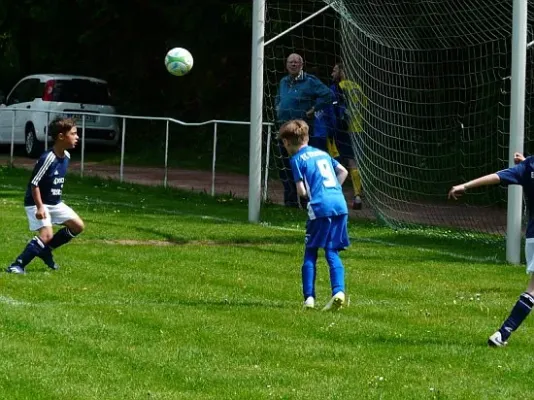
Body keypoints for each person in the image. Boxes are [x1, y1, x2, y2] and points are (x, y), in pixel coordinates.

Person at [448, 151, 532, 346]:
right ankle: (502, 334)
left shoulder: (527, 168)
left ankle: (502, 334)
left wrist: (465, 185)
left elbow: (495, 177)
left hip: (531, 239)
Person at [278, 119, 349, 311]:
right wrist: (332, 190)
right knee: (332, 251)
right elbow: (343, 171)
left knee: (310, 252)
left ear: (286, 142)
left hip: (320, 207)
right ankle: (339, 292)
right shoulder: (323, 154)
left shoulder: (296, 160)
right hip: (340, 204)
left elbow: (301, 191)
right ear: (306, 136)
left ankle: (309, 299)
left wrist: (315, 195)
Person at [6, 117, 85, 274]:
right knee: (46, 234)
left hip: (54, 202)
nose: (77, 137)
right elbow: (34, 184)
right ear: (61, 136)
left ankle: (44, 249)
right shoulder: (48, 158)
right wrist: (40, 207)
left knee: (78, 226)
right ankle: (17, 265)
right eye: (74, 134)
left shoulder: (66, 156)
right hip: (37, 202)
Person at [275, 53, 334, 208]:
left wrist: (314, 109)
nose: (293, 64)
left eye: (296, 62)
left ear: (301, 65)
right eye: (290, 62)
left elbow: (328, 95)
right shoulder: (283, 81)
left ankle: (307, 201)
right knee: (285, 167)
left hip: (301, 132)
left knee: (304, 166)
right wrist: (278, 107)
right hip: (284, 129)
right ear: (286, 64)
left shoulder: (310, 81)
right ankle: (290, 203)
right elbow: (278, 98)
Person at [330, 62, 367, 210]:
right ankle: (357, 195)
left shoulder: (340, 88)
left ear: (342, 72)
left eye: (334, 70)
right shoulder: (358, 88)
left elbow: (335, 109)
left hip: (343, 130)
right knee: (354, 163)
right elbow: (364, 106)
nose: (332, 74)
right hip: (358, 129)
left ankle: (333, 196)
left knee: (335, 161)